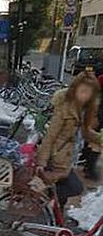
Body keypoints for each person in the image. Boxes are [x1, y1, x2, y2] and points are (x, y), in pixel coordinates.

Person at [36, 73, 102, 209]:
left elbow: (86, 132)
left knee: (62, 198)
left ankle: (53, 217)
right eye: (83, 91)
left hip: (68, 159)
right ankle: (44, 203)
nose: (85, 96)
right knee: (75, 187)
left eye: (89, 93)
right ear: (75, 88)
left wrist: (100, 138)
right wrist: (41, 162)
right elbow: (50, 136)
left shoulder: (84, 110)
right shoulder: (65, 109)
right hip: (56, 158)